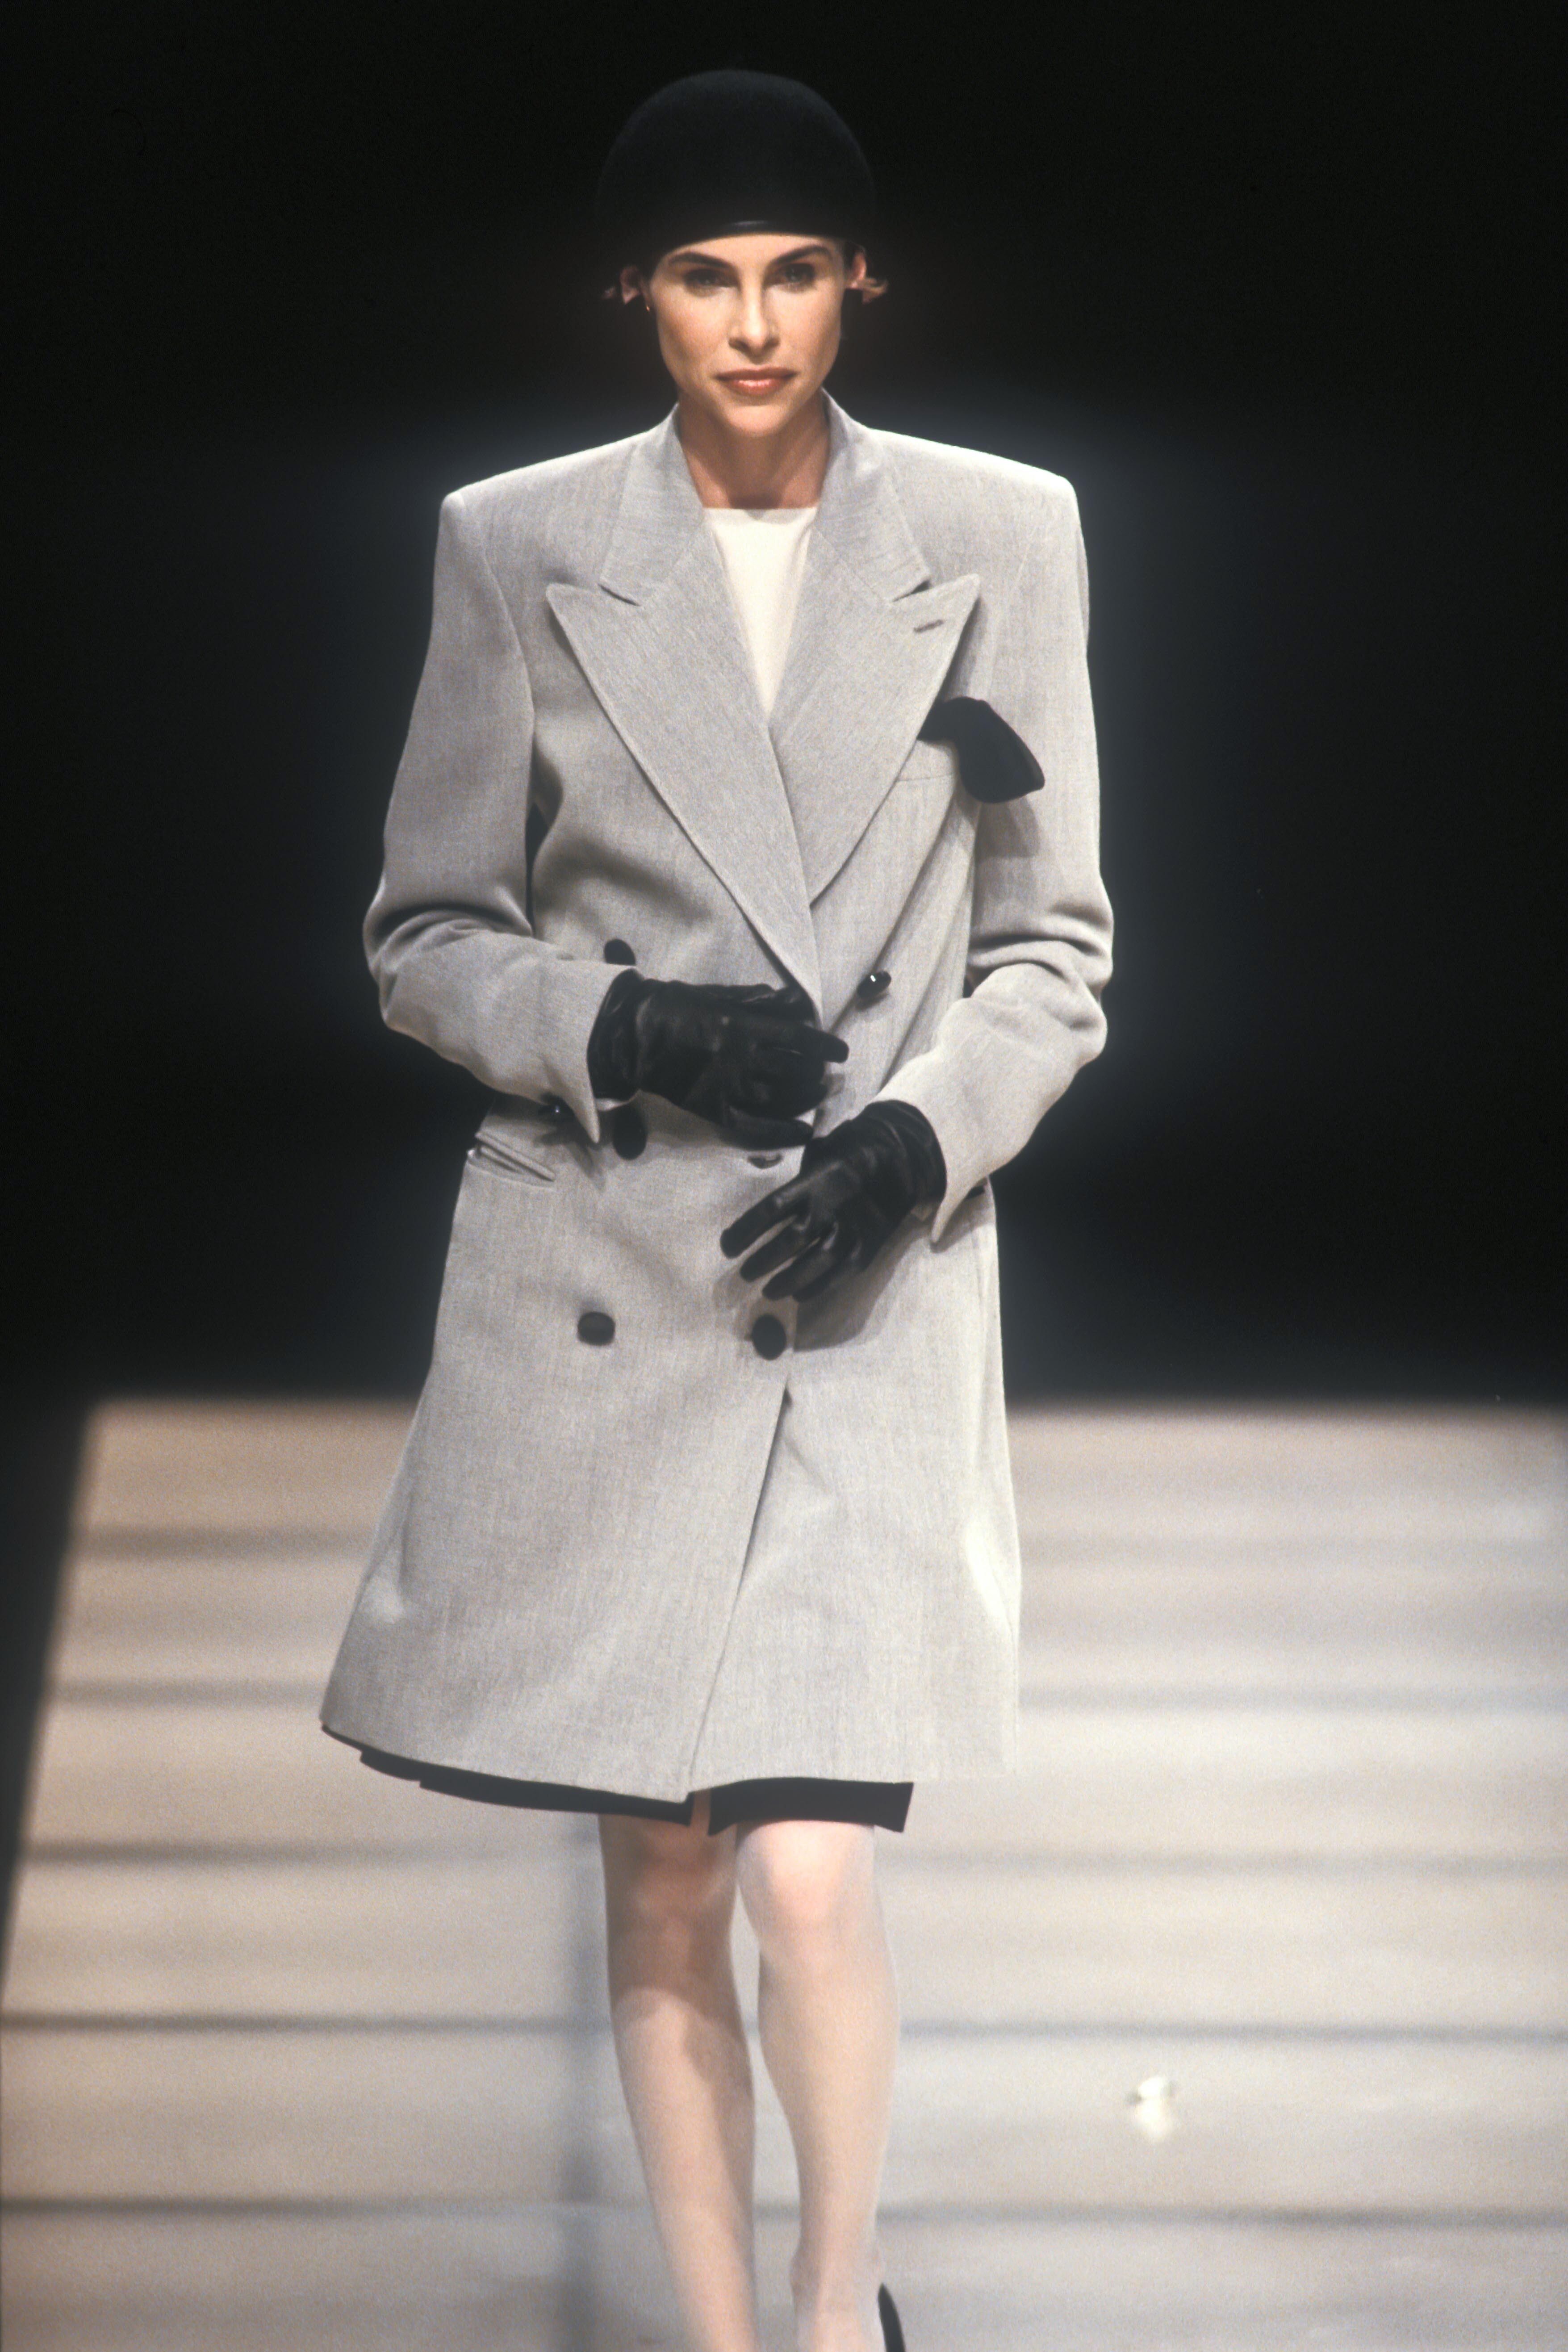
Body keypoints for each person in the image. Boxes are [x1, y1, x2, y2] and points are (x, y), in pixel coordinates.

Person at [321, 67, 1112, 2352]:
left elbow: (1052, 946)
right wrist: (627, 1025)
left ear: (859, 282)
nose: (750, 324)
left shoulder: (1004, 532)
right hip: (613, 1277)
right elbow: (422, 934)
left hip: (866, 1292)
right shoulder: (513, 545)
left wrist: (915, 1141)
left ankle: (837, 2310)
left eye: (789, 274)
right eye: (702, 275)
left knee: (812, 1879)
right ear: (635, 294)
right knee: (664, 1880)